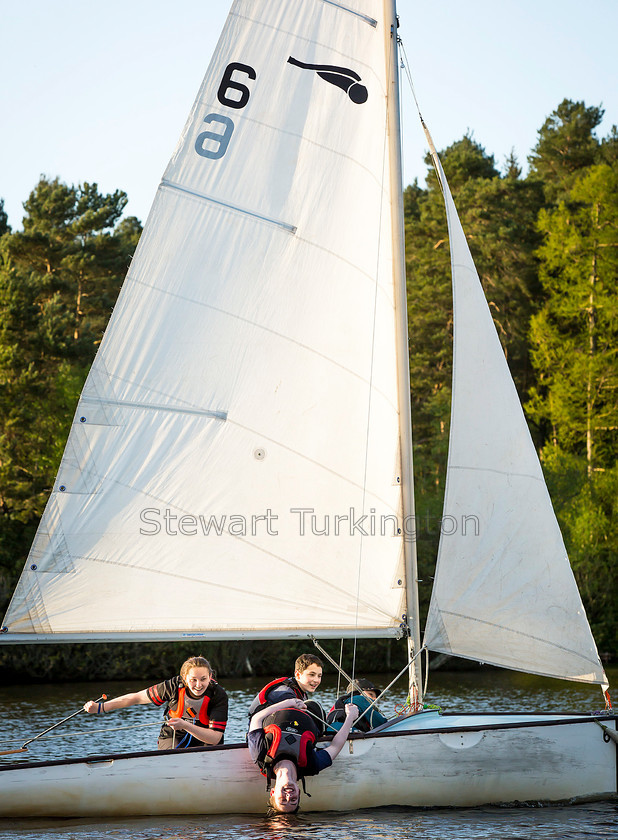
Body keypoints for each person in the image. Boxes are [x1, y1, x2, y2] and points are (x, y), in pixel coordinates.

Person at [83, 655, 228, 749]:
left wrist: (185, 725)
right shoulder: (172, 686)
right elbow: (136, 697)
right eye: (193, 680)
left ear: (210, 676)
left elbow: (215, 738)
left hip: (205, 741)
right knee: (175, 755)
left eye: (203, 679)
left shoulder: (218, 695)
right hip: (172, 736)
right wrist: (100, 707)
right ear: (184, 677)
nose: (198, 685)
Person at [248, 696, 359, 814]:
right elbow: (335, 746)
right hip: (312, 713)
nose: (289, 797)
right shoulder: (311, 765)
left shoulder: (261, 755)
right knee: (353, 701)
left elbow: (256, 719)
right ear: (299, 792)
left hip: (280, 703)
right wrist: (350, 717)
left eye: (283, 800)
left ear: (273, 792)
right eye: (294, 800)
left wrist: (288, 702)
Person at [247, 653, 325, 730]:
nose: (316, 680)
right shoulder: (285, 693)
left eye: (319, 676)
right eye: (311, 675)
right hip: (263, 733)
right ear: (298, 675)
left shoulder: (300, 691)